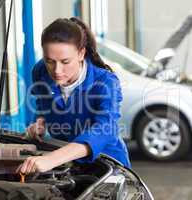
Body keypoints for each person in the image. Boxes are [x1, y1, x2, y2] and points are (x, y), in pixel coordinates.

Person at [17, 17, 131, 175]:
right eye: (49, 61)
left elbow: (105, 128)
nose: (56, 70)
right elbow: (42, 104)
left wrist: (51, 159)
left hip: (107, 165)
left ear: (81, 53)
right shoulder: (40, 71)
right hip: (66, 164)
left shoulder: (105, 82)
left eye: (65, 61)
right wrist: (40, 121)